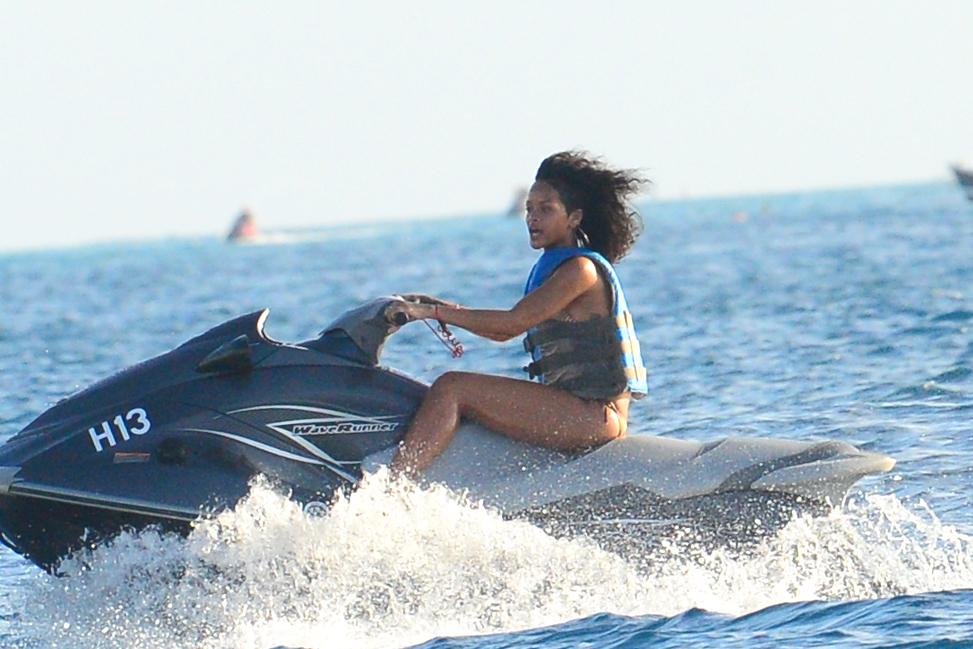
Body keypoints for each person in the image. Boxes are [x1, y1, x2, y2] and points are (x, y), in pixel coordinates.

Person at [389, 151, 648, 476]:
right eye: (529, 209)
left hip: (596, 415)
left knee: (451, 388)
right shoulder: (556, 266)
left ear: (574, 218)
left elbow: (510, 325)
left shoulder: (580, 270)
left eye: (546, 209)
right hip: (575, 408)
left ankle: (392, 486)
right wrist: (436, 308)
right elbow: (501, 329)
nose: (532, 218)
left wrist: (431, 312)